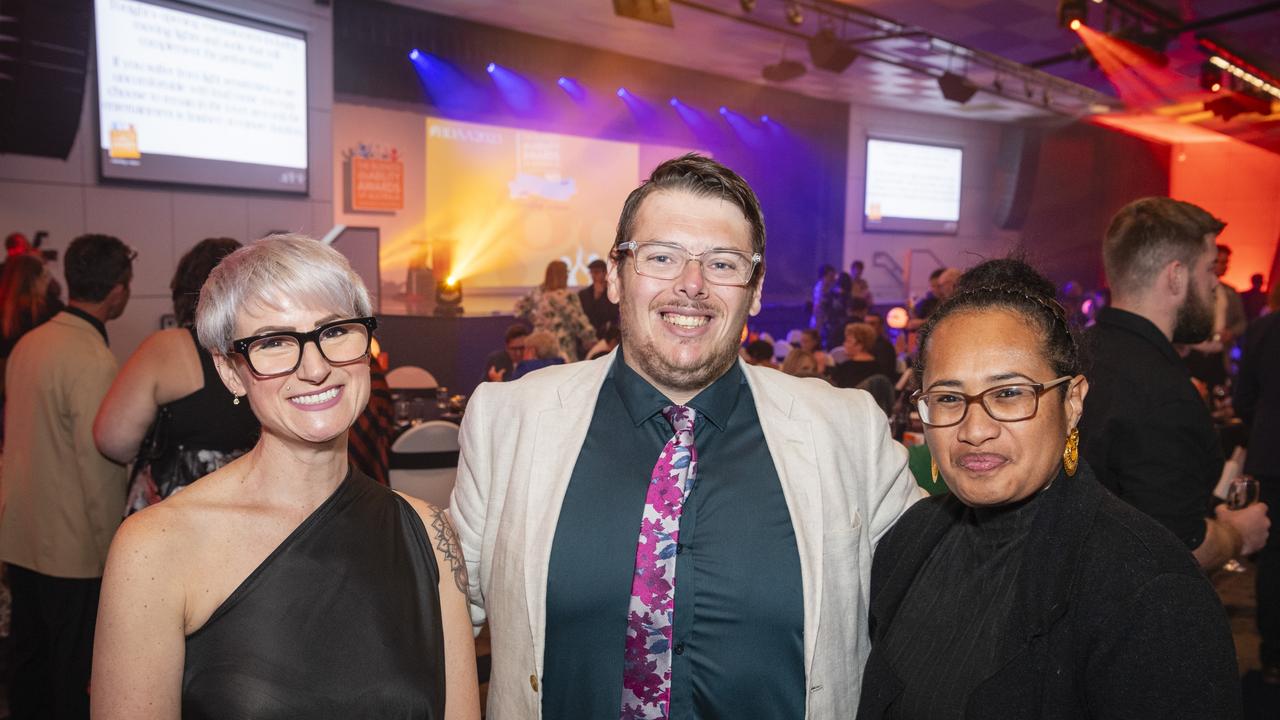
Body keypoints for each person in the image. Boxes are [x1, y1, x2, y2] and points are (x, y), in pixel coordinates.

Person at [450, 153, 919, 719]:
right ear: (617, 277)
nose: (691, 285)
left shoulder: (847, 431)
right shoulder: (510, 420)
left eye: (722, 264)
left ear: (756, 290)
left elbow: (941, 605)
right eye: (662, 257)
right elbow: (439, 624)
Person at [90, 234, 479, 719]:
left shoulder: (427, 532)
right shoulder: (155, 547)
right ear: (231, 372)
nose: (315, 368)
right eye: (273, 342)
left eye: (335, 331)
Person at [858, 257, 1241, 719]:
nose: (974, 429)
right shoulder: (908, 541)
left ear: (1073, 401)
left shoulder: (1148, 588)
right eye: (948, 398)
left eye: (1010, 393)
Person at [1080, 197, 1269, 570]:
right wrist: (1237, 534)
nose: (1216, 284)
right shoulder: (1160, 391)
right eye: (1211, 269)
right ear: (1176, 276)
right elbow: (1175, 549)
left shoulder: (1073, 351)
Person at [0, 233, 135, 720]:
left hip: (20, 536)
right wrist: (111, 549)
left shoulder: (30, 343)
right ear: (117, 292)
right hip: (73, 550)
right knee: (72, 674)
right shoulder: (92, 359)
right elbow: (98, 465)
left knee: (27, 662)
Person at [94, 238, 260, 513]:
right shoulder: (273, 346)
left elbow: (113, 439)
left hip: (177, 514)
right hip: (254, 511)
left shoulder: (168, 347)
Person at [1235, 285, 1280, 683]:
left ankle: (1272, 657)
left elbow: (1242, 397)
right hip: (1270, 454)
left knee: (1272, 561)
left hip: (1270, 456)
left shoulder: (1264, 329)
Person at [0, 252, 60, 440]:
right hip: (45, 399)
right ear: (37, 279)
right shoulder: (52, 311)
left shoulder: (6, 317)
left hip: (8, 400)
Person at [515, 259, 596, 361]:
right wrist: (591, 339)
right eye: (566, 273)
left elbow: (519, 309)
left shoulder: (537, 293)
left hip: (541, 347)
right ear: (562, 275)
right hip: (563, 347)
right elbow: (578, 321)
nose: (567, 276)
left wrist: (536, 319)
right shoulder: (567, 296)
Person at [829, 322, 882, 389]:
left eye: (848, 341)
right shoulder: (879, 367)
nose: (844, 344)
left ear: (859, 345)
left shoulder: (846, 368)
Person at [578, 258, 620, 338]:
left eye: (596, 272)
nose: (593, 275)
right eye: (591, 272)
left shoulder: (613, 292)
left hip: (608, 337)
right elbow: (585, 316)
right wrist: (596, 297)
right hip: (588, 336)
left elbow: (612, 315)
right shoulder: (584, 294)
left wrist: (600, 298)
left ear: (605, 272)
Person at [810, 263, 836, 330]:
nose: (833, 279)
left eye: (833, 276)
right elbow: (818, 307)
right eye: (831, 276)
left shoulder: (830, 288)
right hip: (819, 321)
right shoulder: (820, 289)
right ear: (823, 276)